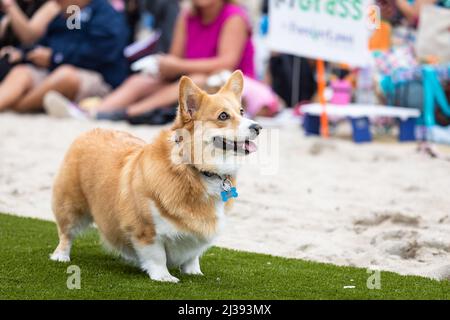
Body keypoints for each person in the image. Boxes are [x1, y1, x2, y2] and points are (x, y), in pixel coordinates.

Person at [47, 0, 255, 121]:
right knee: (142, 80)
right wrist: (164, 67)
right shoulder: (187, 16)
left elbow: (227, 63)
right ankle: (92, 112)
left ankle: (127, 113)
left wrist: (177, 66)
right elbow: (175, 60)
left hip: (233, 86)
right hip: (193, 78)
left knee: (197, 81)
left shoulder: (233, 17)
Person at [0, 0, 129, 113]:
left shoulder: (105, 14)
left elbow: (102, 53)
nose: (55, 2)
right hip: (55, 70)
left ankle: (18, 108)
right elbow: (45, 42)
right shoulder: (68, 14)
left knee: (65, 75)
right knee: (22, 72)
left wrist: (56, 57)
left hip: (98, 77)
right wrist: (23, 53)